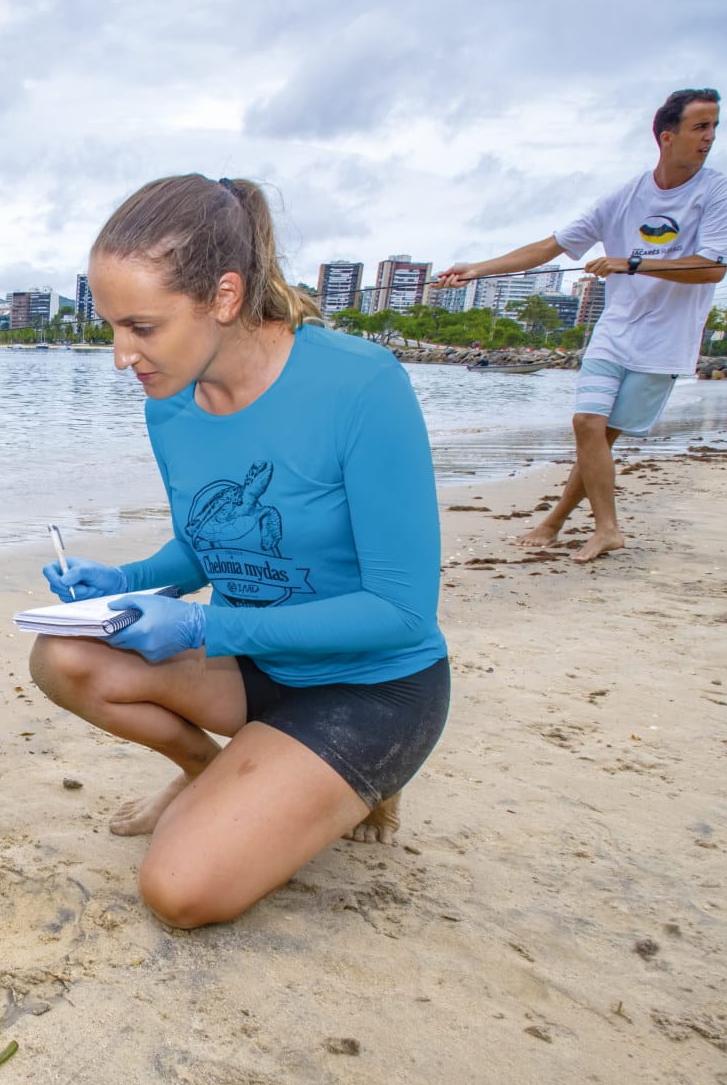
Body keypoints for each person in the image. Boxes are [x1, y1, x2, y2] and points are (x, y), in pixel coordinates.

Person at [27, 174, 450, 929]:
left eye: (142, 327)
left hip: (372, 688)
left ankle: (353, 775)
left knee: (179, 890)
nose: (121, 355)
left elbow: (402, 612)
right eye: (111, 327)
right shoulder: (172, 404)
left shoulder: (361, 385)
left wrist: (200, 629)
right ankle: (212, 772)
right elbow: (205, 547)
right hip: (256, 667)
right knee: (62, 654)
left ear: (224, 297)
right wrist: (122, 579)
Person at [436, 87, 727, 562]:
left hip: (666, 338)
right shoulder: (625, 197)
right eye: (701, 127)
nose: (710, 137)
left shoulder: (717, 192)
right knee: (586, 424)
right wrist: (476, 269)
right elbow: (549, 247)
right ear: (667, 136)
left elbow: (713, 268)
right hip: (616, 328)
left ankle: (556, 520)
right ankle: (607, 528)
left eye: (714, 127)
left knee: (602, 437)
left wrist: (632, 264)